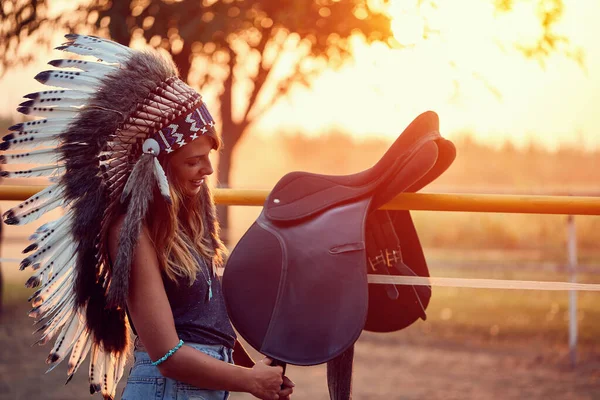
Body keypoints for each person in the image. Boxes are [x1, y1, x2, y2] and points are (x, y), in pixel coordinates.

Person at [1, 34, 293, 399]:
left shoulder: (190, 227)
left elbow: (205, 326)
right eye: (192, 160)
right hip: (166, 388)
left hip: (198, 388)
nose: (206, 170)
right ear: (157, 163)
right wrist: (248, 382)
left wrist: (255, 373)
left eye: (208, 157)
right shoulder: (131, 232)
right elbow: (167, 355)